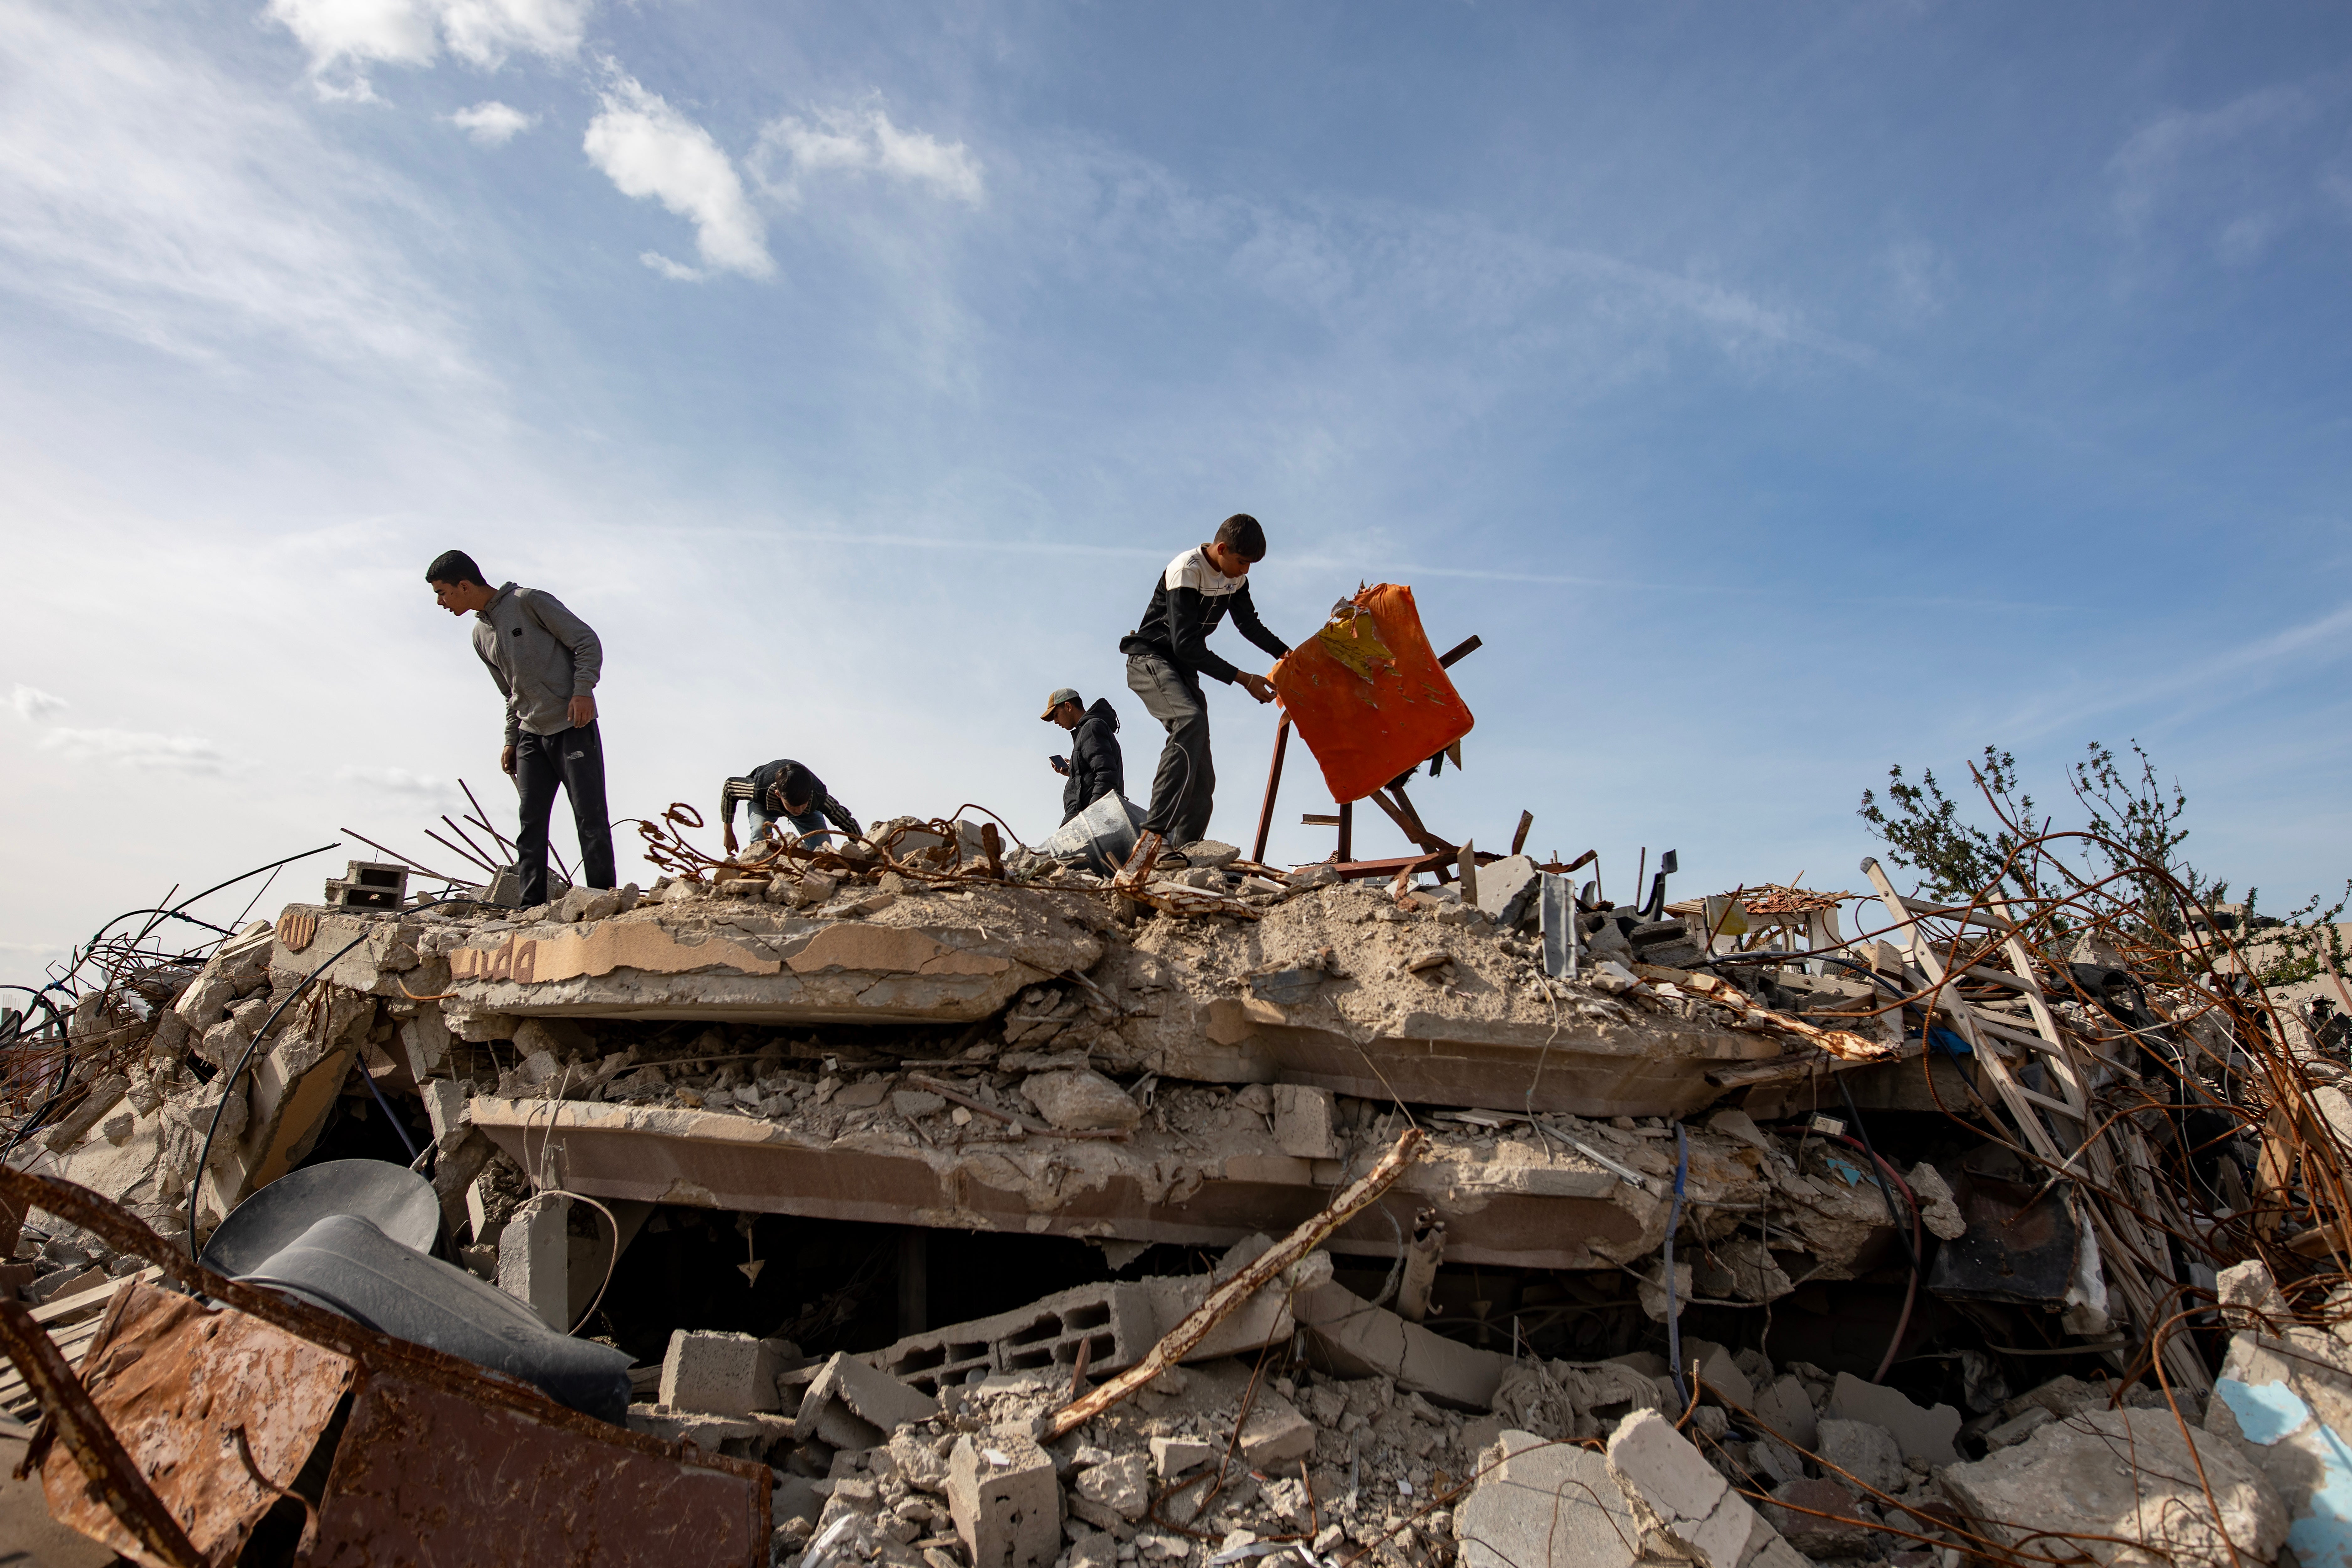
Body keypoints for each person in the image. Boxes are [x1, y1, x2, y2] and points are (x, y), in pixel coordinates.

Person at [426, 551, 615, 907]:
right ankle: (531, 909)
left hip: (572, 724)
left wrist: (583, 690)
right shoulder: (480, 634)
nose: (440, 601)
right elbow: (509, 692)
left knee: (589, 817)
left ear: (464, 586)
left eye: (443, 592)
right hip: (530, 734)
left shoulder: (529, 602)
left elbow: (587, 641)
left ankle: (603, 901)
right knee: (530, 824)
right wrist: (511, 740)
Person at [1118, 514, 1289, 863]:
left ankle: (1182, 853)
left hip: (1183, 670)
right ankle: (1153, 839)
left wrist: (1287, 655)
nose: (1245, 571)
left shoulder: (1235, 580)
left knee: (1202, 768)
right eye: (1242, 562)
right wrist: (1244, 679)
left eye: (1251, 565)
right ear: (1222, 548)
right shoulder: (1188, 568)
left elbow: (1249, 624)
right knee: (1189, 721)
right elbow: (1185, 645)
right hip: (1150, 660)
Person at [721, 760, 862, 854]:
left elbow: (845, 820)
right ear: (778, 795)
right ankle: (761, 870)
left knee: (822, 844)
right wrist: (728, 832)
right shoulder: (758, 788)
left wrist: (864, 847)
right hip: (764, 805)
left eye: (803, 805)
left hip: (810, 812)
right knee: (760, 832)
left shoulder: (819, 796)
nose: (799, 811)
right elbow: (729, 788)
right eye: (794, 807)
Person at [1042, 687, 1125, 825]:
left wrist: (1092, 816)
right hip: (1085, 817)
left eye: (1056, 715)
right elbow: (1096, 773)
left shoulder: (1091, 728)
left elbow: (1107, 775)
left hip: (1087, 819)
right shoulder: (1089, 730)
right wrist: (1073, 771)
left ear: (1068, 707)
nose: (1056, 721)